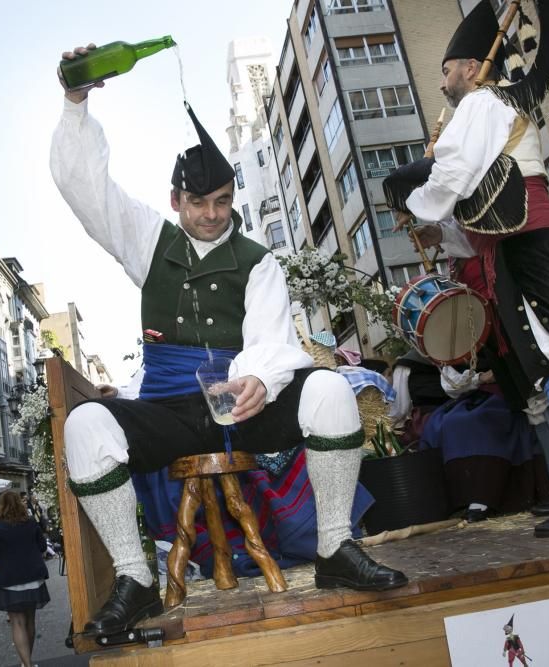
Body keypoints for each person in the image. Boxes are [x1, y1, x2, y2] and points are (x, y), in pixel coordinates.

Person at [50, 43, 408, 636]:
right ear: (175, 201)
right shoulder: (147, 239)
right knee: (87, 426)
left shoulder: (258, 261)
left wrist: (258, 381)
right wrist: (74, 100)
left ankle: (335, 550)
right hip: (170, 405)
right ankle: (135, 579)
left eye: (221, 202)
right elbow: (88, 191)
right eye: (197, 203)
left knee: (331, 392)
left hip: (244, 403)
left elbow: (271, 336)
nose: (212, 215)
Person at [384, 0, 549, 537]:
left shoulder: (479, 105)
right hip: (522, 241)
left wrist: (414, 203)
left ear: (471, 67)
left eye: (448, 69)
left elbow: (451, 175)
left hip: (524, 243)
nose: (445, 80)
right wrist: (442, 230)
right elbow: (477, 208)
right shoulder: (498, 108)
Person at [0, 491, 49, 667]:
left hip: (10, 579)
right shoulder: (30, 523)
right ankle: (27, 661)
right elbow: (42, 546)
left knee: (17, 622)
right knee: (30, 620)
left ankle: (27, 664)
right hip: (33, 576)